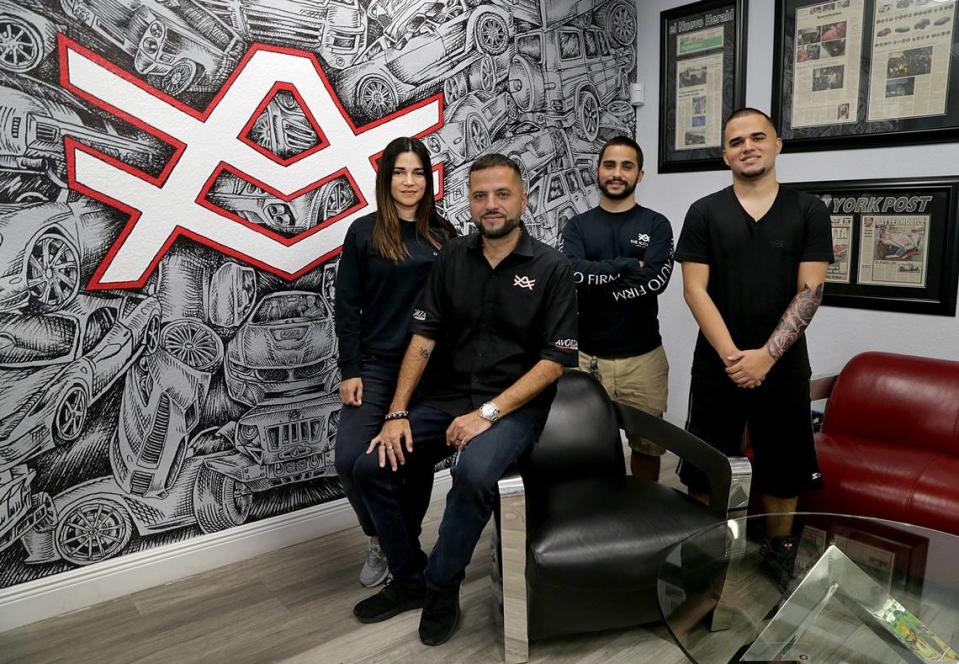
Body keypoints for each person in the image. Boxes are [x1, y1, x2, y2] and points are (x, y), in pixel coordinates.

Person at [348, 153, 578, 645]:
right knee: (371, 468)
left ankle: (441, 587)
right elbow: (424, 336)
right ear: (468, 202)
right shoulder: (452, 255)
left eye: (502, 194)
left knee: (473, 474)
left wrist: (486, 414)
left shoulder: (552, 267)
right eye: (480, 196)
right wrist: (397, 412)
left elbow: (553, 362)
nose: (491, 205)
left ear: (523, 197)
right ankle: (409, 578)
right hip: (449, 395)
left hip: (512, 406)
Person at [674, 108, 833, 589]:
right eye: (736, 141)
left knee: (785, 466)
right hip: (717, 366)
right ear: (725, 154)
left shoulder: (808, 211)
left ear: (777, 144)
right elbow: (694, 290)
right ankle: (705, 550)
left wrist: (765, 356)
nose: (747, 146)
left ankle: (779, 551)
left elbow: (811, 292)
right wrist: (735, 358)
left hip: (783, 368)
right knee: (706, 466)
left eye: (756, 137)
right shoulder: (704, 212)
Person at [333, 136, 457, 588]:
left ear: (429, 179)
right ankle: (382, 540)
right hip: (375, 366)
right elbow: (346, 306)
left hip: (430, 370)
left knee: (410, 461)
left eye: (418, 172)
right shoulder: (363, 233)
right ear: (386, 178)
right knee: (350, 460)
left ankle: (402, 546)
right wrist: (350, 370)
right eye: (400, 172)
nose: (409, 181)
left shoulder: (445, 236)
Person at [561, 136, 674, 481]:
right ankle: (595, 517)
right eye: (609, 164)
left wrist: (601, 283)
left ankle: (643, 515)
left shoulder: (657, 225)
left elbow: (656, 282)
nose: (617, 173)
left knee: (647, 447)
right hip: (586, 358)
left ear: (640, 175)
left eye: (627, 166)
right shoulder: (577, 225)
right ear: (597, 171)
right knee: (584, 447)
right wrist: (628, 266)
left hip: (644, 360)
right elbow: (573, 274)